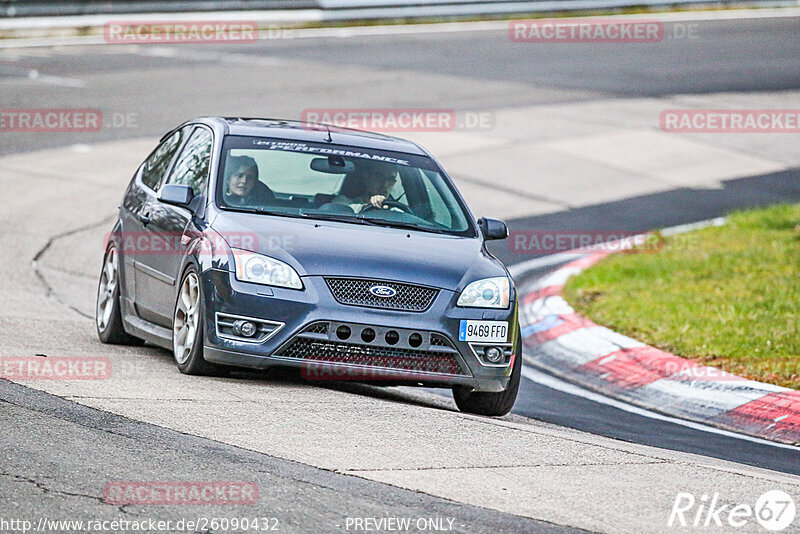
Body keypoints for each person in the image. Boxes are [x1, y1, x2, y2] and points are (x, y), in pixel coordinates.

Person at [331, 160, 398, 213]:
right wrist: (370, 206)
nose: (385, 184)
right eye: (379, 176)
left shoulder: (396, 211)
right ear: (367, 177)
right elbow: (337, 212)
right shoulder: (343, 201)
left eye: (391, 179)